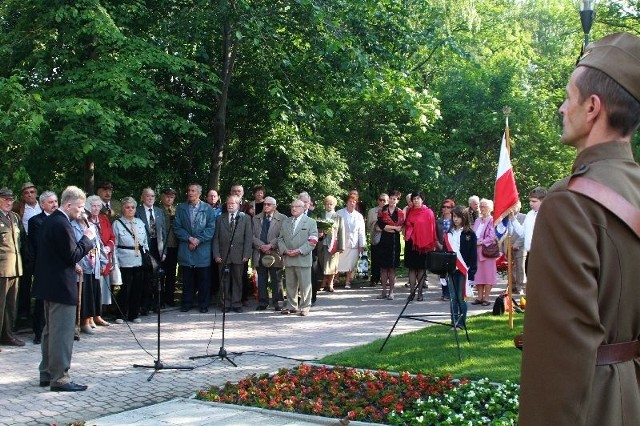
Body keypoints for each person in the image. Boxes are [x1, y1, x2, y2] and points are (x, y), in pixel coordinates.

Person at [519, 32, 640, 425]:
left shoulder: (569, 205)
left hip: (595, 406)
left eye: (568, 97)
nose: (561, 108)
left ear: (592, 107)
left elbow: (559, 358)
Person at [33, 186, 95, 392]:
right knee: (62, 333)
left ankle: (47, 372)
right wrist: (87, 238)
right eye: (79, 207)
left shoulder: (51, 220)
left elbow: (56, 254)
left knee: (50, 331)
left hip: (49, 283)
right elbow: (72, 254)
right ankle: (60, 378)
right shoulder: (62, 223)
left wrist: (72, 262)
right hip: (61, 286)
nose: (81, 212)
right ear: (68, 205)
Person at [174, 184, 216, 313]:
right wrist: (189, 239)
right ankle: (187, 303)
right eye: (189, 190)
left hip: (202, 248)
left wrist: (198, 240)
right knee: (188, 279)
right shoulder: (181, 208)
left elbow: (211, 228)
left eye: (192, 191)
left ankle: (203, 304)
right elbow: (177, 227)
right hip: (187, 248)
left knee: (204, 279)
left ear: (198, 193)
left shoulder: (207, 208)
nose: (190, 193)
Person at [112, 197, 149, 324]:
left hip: (138, 259)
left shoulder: (140, 223)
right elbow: (114, 244)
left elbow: (145, 242)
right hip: (124, 259)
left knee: (137, 288)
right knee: (125, 288)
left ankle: (134, 314)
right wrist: (115, 261)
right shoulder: (117, 224)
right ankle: (120, 314)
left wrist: (146, 256)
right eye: (127, 207)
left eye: (132, 207)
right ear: (123, 209)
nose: (130, 210)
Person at [278, 199, 318, 316]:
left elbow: (313, 240)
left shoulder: (310, 222)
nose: (293, 209)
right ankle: (291, 306)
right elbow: (280, 239)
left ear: (303, 208)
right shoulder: (286, 222)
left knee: (305, 285)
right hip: (289, 257)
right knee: (290, 284)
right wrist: (285, 250)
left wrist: (300, 250)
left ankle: (305, 307)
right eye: (292, 207)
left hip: (302, 258)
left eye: (296, 207)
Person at [213, 195, 252, 313]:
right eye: (228, 203)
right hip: (223, 255)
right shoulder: (220, 218)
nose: (230, 205)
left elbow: (248, 238)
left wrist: (246, 254)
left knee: (237, 280)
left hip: (239, 255)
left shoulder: (245, 218)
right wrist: (216, 254)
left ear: (238, 205)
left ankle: (236, 303)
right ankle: (225, 303)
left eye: (233, 204)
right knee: (224, 280)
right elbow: (216, 238)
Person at [28, 191, 58, 344]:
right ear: (42, 204)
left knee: (56, 300)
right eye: (50, 202)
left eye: (55, 201)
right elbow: (38, 245)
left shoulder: (62, 219)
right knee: (42, 300)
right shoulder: (36, 221)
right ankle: (39, 332)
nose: (54, 204)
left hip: (58, 266)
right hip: (43, 266)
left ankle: (54, 330)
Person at [443, 206, 477, 330]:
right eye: (454, 217)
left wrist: (472, 272)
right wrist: (443, 272)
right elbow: (445, 252)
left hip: (464, 270)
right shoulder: (449, 233)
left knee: (461, 297)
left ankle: (461, 323)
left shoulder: (470, 234)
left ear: (464, 218)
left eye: (458, 217)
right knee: (453, 297)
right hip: (451, 269)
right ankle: (454, 322)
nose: (456, 219)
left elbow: (473, 254)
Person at [0, 188, 25, 349]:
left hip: (15, 267)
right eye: (5, 199)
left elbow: (21, 240)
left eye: (11, 199)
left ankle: (7, 335)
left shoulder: (14, 218)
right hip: (1, 268)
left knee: (11, 305)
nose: (9, 202)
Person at [251, 196, 286, 311]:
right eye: (265, 204)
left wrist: (270, 245)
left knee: (276, 279)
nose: (266, 206)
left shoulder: (282, 218)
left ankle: (278, 302)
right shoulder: (256, 218)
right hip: (260, 252)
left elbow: (282, 235)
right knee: (261, 279)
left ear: (275, 206)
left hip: (275, 252)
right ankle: (263, 302)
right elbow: (252, 236)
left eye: (269, 204)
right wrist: (261, 246)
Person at [85, 195, 114, 326]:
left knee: (99, 288)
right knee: (90, 289)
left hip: (104, 257)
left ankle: (98, 315)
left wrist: (109, 247)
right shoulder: (85, 220)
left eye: (98, 206)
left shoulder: (104, 219)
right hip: (90, 258)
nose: (96, 209)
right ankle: (88, 318)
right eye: (93, 206)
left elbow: (112, 236)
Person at [135, 187, 166, 313]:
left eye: (152, 196)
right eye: (148, 196)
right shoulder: (137, 211)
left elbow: (163, 232)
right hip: (144, 248)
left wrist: (164, 251)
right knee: (146, 277)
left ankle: (157, 303)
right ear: (142, 197)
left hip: (157, 247)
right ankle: (145, 305)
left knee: (158, 276)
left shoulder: (159, 211)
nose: (150, 198)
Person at [14, 182, 41, 320]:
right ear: (23, 196)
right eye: (26, 193)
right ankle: (23, 312)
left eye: (32, 192)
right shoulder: (19, 208)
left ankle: (40, 311)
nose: (29, 194)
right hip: (27, 246)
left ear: (36, 193)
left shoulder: (42, 205)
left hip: (42, 245)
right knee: (25, 280)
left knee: (41, 278)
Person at [403, 191, 437, 301]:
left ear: (422, 200)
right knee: (412, 269)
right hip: (411, 243)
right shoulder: (409, 211)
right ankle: (412, 292)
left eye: (418, 198)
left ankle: (420, 293)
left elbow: (431, 229)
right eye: (414, 199)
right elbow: (406, 224)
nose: (416, 200)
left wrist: (432, 244)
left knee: (421, 269)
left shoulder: (428, 212)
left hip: (423, 244)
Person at [510, 186, 547, 277]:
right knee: (531, 279)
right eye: (530, 201)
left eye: (534, 201)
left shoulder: (548, 214)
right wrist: (513, 219)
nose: (531, 203)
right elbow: (523, 233)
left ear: (543, 201)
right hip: (531, 254)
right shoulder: (530, 214)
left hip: (544, 255)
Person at [376, 190, 404, 300]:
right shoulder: (382, 210)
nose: (392, 201)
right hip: (384, 241)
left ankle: (391, 292)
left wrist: (390, 228)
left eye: (394, 199)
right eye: (391, 198)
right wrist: (393, 228)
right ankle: (383, 291)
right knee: (383, 268)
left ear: (397, 200)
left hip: (394, 242)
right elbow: (382, 226)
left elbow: (400, 228)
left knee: (392, 268)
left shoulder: (400, 212)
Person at [336, 194, 366, 289]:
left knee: (350, 263)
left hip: (354, 243)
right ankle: (335, 279)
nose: (352, 203)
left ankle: (348, 281)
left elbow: (361, 231)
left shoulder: (359, 216)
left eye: (354, 202)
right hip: (342, 242)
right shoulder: (339, 213)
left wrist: (362, 245)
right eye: (350, 201)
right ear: (346, 202)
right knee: (338, 262)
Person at [471, 198, 497, 306]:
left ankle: (486, 298)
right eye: (480, 206)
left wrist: (480, 242)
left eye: (484, 206)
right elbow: (473, 233)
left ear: (490, 208)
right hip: (476, 252)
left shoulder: (492, 220)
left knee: (488, 276)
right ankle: (479, 297)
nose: (482, 208)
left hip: (487, 252)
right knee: (478, 275)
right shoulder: (477, 220)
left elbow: (492, 237)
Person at [317, 195, 345, 293]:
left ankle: (330, 283)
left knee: (333, 264)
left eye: (331, 204)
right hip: (322, 243)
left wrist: (342, 246)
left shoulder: (338, 217)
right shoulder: (320, 215)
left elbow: (341, 231)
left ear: (334, 205)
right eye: (327, 204)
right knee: (323, 263)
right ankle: (324, 281)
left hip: (334, 244)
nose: (329, 206)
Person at [160, 187, 178, 306]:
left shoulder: (176, 210)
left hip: (174, 246)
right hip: (162, 246)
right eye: (167, 196)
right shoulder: (158, 210)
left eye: (172, 197)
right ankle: (160, 299)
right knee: (161, 274)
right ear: (162, 197)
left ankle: (169, 298)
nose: (169, 199)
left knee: (171, 274)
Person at [436, 199, 456, 301]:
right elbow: (434, 235)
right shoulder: (438, 221)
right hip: (440, 248)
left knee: (452, 271)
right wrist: (438, 244)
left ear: (452, 209)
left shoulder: (455, 221)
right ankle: (445, 293)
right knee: (442, 273)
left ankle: (453, 292)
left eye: (448, 207)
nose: (445, 209)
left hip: (452, 249)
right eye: (444, 207)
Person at [367, 193, 388, 287]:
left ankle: (385, 279)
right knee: (375, 259)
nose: (382, 202)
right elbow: (368, 225)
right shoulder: (372, 211)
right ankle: (375, 278)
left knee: (386, 259)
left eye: (385, 200)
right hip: (375, 238)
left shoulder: (391, 211)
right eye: (381, 200)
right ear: (378, 200)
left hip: (387, 238)